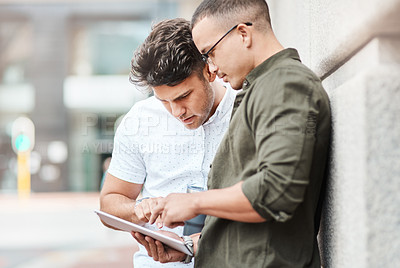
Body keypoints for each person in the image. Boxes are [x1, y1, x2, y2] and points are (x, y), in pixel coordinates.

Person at [136, 0, 332, 267]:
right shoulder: (263, 87)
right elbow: (253, 225)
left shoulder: (287, 85)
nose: (212, 69)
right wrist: (193, 246)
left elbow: (276, 191)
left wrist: (195, 203)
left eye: (210, 52)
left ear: (243, 33)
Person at [99, 18, 236, 267]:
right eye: (163, 101)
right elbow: (109, 203)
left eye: (184, 96)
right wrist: (140, 209)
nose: (176, 111)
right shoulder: (140, 120)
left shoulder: (245, 108)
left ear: (208, 70)